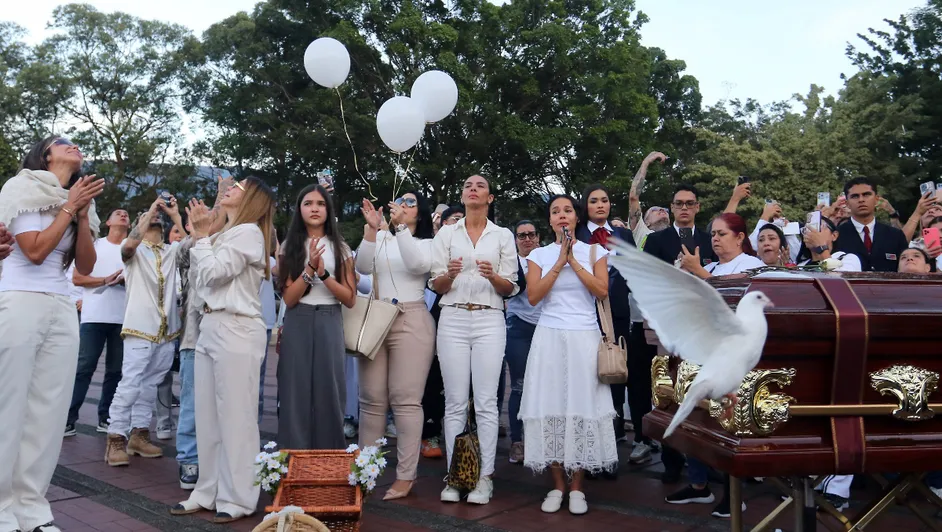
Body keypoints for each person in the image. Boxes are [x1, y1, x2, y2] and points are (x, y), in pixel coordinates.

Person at [0, 135, 104, 532]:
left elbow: (85, 265)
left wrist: (82, 216)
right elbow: (35, 251)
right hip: (19, 300)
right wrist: (70, 207)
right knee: (11, 405)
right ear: (45, 154)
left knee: (50, 410)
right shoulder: (23, 187)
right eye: (64, 142)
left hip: (61, 305)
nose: (74, 146)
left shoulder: (76, 199)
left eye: (78, 143)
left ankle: (32, 507)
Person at [171, 177, 275, 523]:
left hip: (237, 327)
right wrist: (204, 234)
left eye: (238, 187)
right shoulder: (225, 234)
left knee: (236, 418)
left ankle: (239, 498)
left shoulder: (249, 233)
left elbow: (215, 274)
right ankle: (208, 490)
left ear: (251, 199)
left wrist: (201, 236)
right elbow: (200, 280)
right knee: (208, 418)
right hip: (211, 324)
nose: (231, 187)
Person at [520, 195, 616, 515]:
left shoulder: (595, 251)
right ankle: (558, 485)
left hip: (584, 337)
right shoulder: (538, 255)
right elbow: (534, 296)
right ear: (550, 221)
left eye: (567, 210)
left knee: (582, 407)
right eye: (555, 211)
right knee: (551, 407)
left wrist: (573, 259)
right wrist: (559, 261)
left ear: (576, 217)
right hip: (549, 337)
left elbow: (601, 290)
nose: (562, 215)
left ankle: (577, 488)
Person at [666, 213, 762, 519]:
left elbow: (735, 308)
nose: (715, 239)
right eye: (713, 234)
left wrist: (699, 274)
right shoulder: (710, 267)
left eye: (722, 233)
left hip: (733, 362)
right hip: (703, 357)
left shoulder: (752, 265)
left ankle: (733, 495)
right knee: (697, 421)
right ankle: (699, 484)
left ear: (740, 237)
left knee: (728, 426)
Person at [431, 175, 518, 505]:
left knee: (485, 402)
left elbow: (510, 287)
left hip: (489, 318)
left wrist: (493, 276)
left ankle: (484, 477)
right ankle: (456, 477)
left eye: (480, 186)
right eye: (468, 185)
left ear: (490, 198)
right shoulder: (446, 233)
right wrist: (450, 275)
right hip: (452, 317)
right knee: (454, 401)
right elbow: (436, 285)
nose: (472, 189)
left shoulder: (502, 235)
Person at [355, 191, 436, 500]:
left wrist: (400, 228)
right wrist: (372, 230)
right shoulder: (382, 237)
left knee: (406, 400)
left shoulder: (427, 243)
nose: (403, 205)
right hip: (377, 317)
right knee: (371, 399)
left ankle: (405, 476)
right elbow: (362, 266)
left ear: (420, 213)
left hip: (411, 318)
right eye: (400, 201)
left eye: (411, 203)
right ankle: (366, 470)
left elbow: (417, 265)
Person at [104, 197, 186, 467]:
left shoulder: (172, 252)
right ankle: (115, 437)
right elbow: (129, 246)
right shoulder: (135, 251)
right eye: (149, 217)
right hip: (139, 328)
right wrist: (149, 211)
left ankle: (139, 435)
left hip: (167, 332)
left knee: (150, 385)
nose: (155, 218)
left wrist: (176, 216)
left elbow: (195, 245)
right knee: (130, 383)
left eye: (157, 217)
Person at [277, 184, 357, 450]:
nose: (314, 209)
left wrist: (324, 274)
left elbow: (349, 298)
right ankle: (293, 460)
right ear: (299, 209)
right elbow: (289, 298)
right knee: (294, 392)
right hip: (298, 318)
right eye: (308, 203)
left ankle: (329, 461)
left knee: (330, 392)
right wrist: (310, 268)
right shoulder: (289, 246)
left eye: (321, 204)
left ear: (328, 209)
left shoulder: (340, 247)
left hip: (329, 317)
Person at [575, 184, 635, 459]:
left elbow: (633, 272)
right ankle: (588, 439)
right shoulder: (576, 234)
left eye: (605, 200)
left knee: (615, 370)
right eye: (594, 201)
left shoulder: (623, 234)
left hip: (618, 312)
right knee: (589, 373)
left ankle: (614, 436)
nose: (600, 205)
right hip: (585, 312)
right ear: (585, 206)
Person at [65, 209, 130, 436]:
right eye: (118, 213)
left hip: (124, 318)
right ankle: (68, 419)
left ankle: (106, 418)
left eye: (126, 214)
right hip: (94, 316)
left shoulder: (134, 248)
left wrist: (126, 282)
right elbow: (77, 278)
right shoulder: (95, 245)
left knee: (115, 371)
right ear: (108, 222)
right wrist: (104, 280)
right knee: (84, 368)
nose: (123, 215)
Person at [504, 220, 543, 465]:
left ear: (539, 236)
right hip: (519, 326)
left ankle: (543, 439)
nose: (527, 239)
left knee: (547, 385)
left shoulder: (549, 257)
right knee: (519, 385)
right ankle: (517, 441)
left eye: (532, 234)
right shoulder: (510, 261)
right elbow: (515, 289)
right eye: (522, 235)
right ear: (515, 240)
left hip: (547, 326)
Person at [833, 177, 907, 272]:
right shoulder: (835, 236)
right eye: (855, 196)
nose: (861, 200)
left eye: (866, 194)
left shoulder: (895, 235)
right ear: (847, 203)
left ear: (876, 199)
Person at [795, 217, 863, 272]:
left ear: (834, 235)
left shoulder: (848, 259)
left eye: (817, 227)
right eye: (806, 229)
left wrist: (821, 248)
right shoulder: (801, 266)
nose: (811, 232)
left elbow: (840, 281)